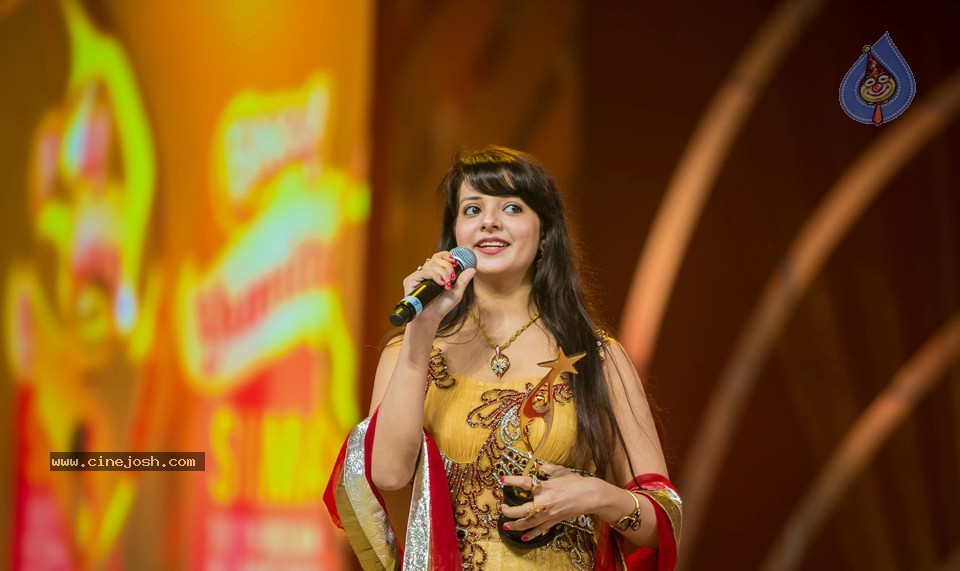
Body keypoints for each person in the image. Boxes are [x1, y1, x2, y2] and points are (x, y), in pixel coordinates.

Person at [325, 146, 681, 570]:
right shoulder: (411, 350)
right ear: (455, 235)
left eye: (512, 207)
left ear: (545, 232)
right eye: (472, 209)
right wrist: (421, 334)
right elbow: (387, 475)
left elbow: (664, 517)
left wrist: (596, 496)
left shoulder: (598, 359)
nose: (489, 220)